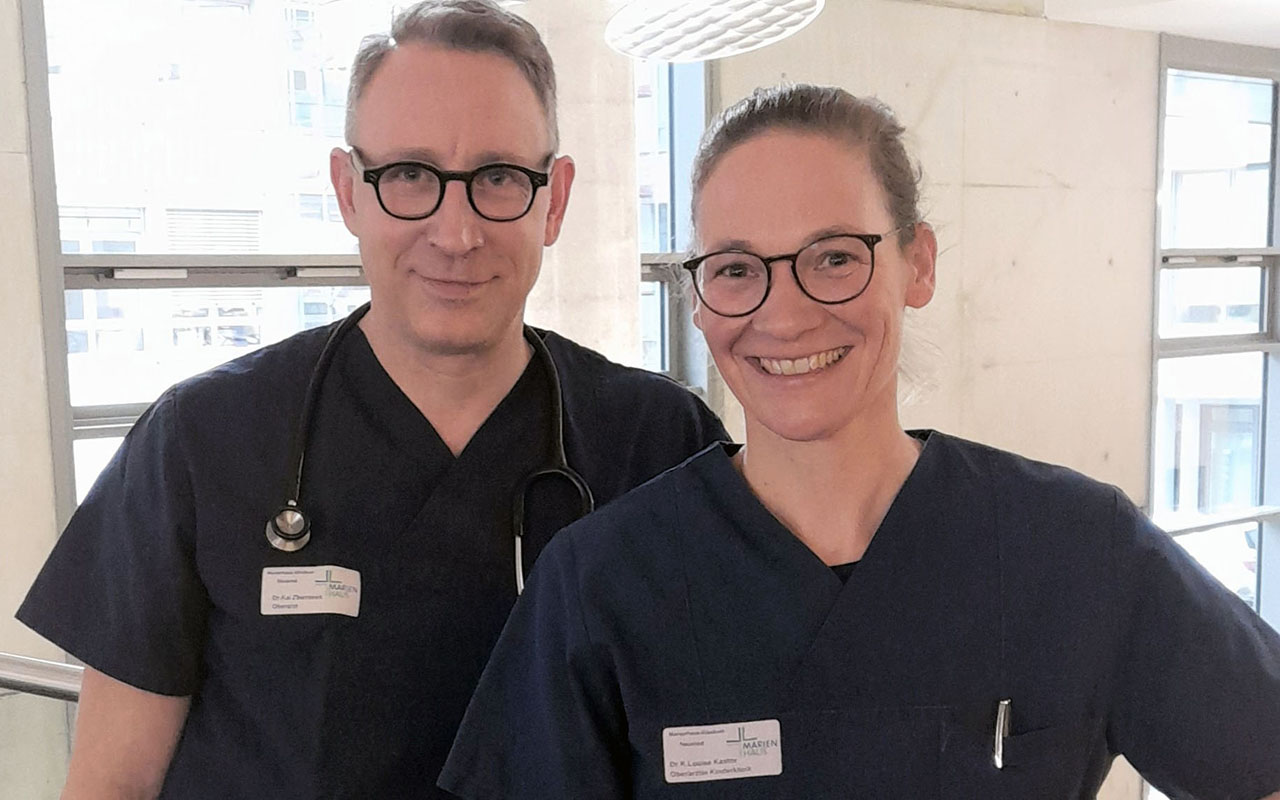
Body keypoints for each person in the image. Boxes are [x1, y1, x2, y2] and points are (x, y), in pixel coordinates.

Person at [440, 84, 1280, 799]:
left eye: (834, 258)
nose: (785, 312)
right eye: (735, 268)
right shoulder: (602, 585)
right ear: (698, 301)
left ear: (918, 265)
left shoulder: (1077, 551)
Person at [16, 2, 726, 797]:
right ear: (348, 192)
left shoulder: (659, 443)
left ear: (553, 200)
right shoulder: (201, 442)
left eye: (498, 178)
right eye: (410, 176)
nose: (455, 233)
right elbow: (113, 784)